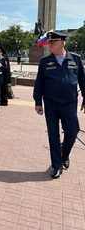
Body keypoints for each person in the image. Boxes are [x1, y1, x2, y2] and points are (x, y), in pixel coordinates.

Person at [33, 31, 85, 179]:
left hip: (69, 103)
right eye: (49, 43)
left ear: (62, 43)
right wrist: (38, 101)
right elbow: (39, 83)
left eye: (52, 43)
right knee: (53, 135)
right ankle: (56, 165)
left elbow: (83, 80)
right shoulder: (45, 61)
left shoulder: (75, 59)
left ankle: (65, 154)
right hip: (50, 103)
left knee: (72, 132)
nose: (49, 45)